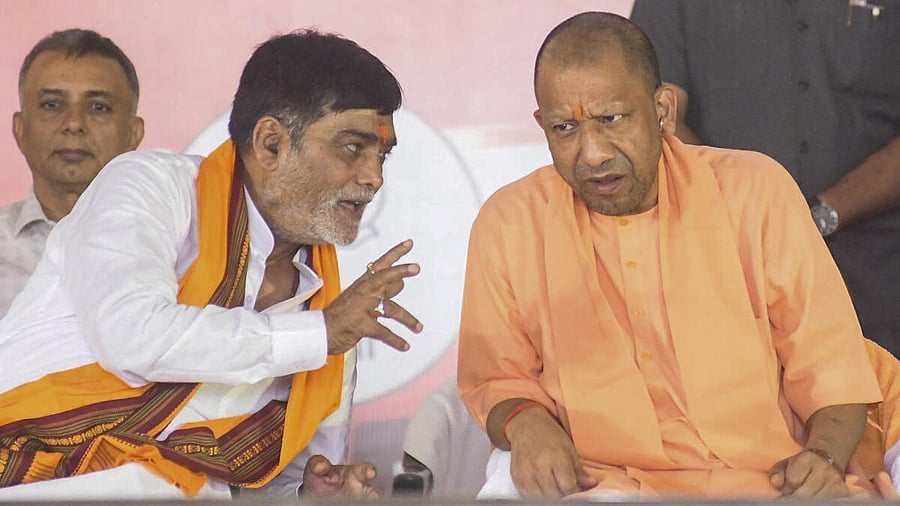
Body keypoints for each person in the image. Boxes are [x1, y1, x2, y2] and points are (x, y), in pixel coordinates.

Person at [457, 12, 888, 500]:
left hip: (766, 483)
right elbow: (495, 377)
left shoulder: (755, 193)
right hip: (601, 485)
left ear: (662, 109)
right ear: (541, 125)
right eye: (564, 128)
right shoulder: (510, 223)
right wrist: (528, 423)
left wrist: (823, 459)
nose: (592, 153)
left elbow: (831, 367)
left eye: (611, 119)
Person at [0, 29, 421, 500]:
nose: (373, 177)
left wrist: (309, 492)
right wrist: (319, 334)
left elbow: (272, 482)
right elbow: (132, 335)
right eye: (353, 148)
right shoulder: (150, 187)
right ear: (270, 144)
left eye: (382, 154)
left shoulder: (327, 311)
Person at [629, 1, 900, 356]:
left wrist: (819, 217)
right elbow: (655, 115)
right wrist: (747, 218)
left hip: (876, 272)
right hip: (721, 263)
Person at [0, 28, 144, 316]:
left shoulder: (177, 250)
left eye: (98, 107)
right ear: (19, 129)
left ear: (133, 133)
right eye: (52, 105)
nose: (74, 123)